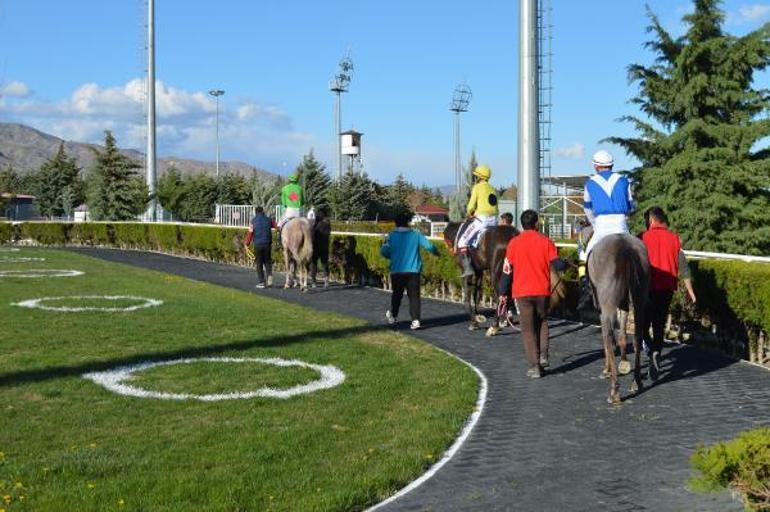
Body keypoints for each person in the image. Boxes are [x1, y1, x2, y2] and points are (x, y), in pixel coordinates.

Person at [499, 210, 567, 378]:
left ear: (522, 225)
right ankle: (544, 355)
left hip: (521, 293)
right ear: (537, 224)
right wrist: (565, 263)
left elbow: (507, 271)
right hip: (542, 291)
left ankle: (535, 367)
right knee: (542, 322)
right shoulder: (546, 241)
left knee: (528, 329)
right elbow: (557, 265)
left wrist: (502, 292)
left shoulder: (514, 243)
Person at [641, 206, 696, 380]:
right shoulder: (674, 239)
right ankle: (657, 350)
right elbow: (683, 267)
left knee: (642, 325)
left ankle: (650, 351)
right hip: (666, 289)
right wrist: (691, 291)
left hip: (646, 288)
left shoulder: (642, 238)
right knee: (659, 324)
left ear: (650, 220)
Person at [577, 150, 635, 310]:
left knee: (584, 253)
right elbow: (631, 206)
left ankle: (586, 289)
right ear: (612, 165)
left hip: (601, 224)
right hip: (622, 224)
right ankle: (640, 286)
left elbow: (588, 209)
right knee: (637, 253)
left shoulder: (590, 183)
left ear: (596, 166)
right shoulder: (624, 180)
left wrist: (596, 224)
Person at [381, 211, 439, 330]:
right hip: (413, 271)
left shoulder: (391, 235)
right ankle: (416, 320)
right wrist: (437, 253)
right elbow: (430, 246)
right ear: (407, 223)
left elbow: (384, 252)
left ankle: (393, 315)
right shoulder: (416, 234)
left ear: (396, 223)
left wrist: (392, 256)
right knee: (414, 296)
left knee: (397, 294)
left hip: (397, 271)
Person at [456, 165, 499, 277]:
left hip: (482, 220)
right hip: (494, 220)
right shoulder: (492, 188)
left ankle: (468, 268)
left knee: (462, 242)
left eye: (476, 176)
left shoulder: (477, 187)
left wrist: (470, 213)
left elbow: (470, 206)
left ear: (479, 177)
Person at [244, 206, 276, 288]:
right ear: (263, 211)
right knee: (267, 261)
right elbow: (276, 226)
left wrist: (246, 243)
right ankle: (269, 276)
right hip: (267, 244)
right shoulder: (269, 219)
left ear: (255, 212)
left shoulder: (253, 221)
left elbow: (250, 233)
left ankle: (262, 282)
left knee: (259, 263)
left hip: (258, 244)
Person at [310, 207, 331, 287]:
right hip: (324, 246)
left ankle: (313, 281)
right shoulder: (327, 223)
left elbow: (313, 233)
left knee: (314, 263)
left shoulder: (317, 224)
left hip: (316, 246)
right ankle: (326, 280)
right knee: (324, 263)